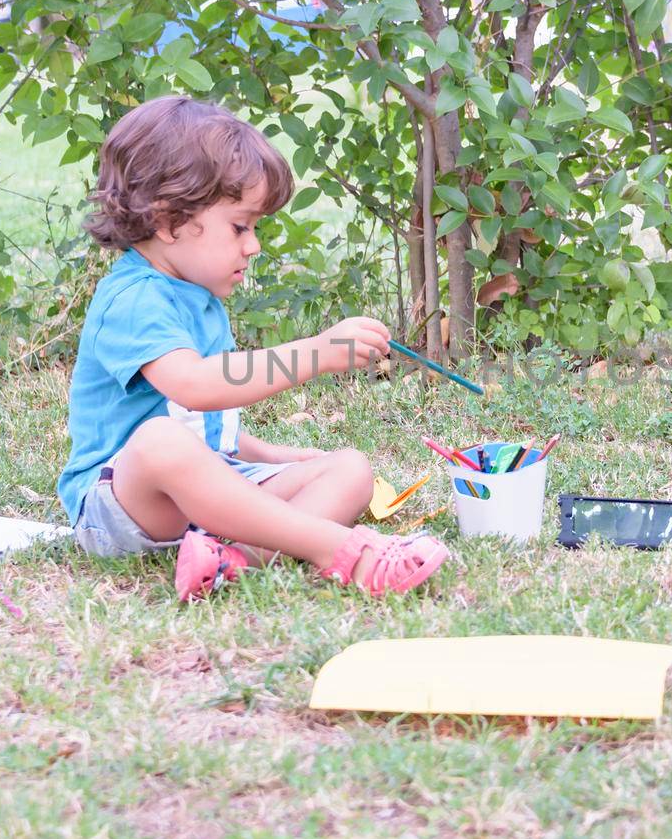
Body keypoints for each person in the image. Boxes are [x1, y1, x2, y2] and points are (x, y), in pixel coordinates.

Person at [55, 96, 447, 600]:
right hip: (122, 506)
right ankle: (339, 548)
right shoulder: (133, 298)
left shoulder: (199, 297)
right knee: (157, 441)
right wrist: (315, 353)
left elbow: (211, 432)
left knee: (349, 468)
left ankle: (233, 561)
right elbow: (193, 390)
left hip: (202, 499)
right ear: (166, 220)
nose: (253, 245)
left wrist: (287, 459)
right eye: (240, 226)